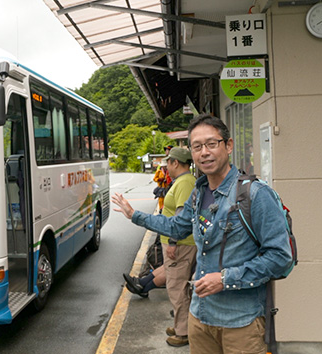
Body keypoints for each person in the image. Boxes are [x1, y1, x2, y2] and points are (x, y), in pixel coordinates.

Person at [112, 114, 293, 354]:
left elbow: (281, 258)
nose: (204, 152)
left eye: (211, 144)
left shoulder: (256, 195)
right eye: (197, 146)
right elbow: (178, 227)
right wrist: (135, 215)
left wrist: (225, 279)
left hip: (241, 322)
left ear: (228, 146)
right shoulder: (199, 193)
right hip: (199, 317)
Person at [124, 147, 197, 347]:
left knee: (176, 288)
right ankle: (182, 324)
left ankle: (183, 333)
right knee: (179, 286)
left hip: (180, 244)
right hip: (180, 243)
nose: (165, 167)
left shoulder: (185, 183)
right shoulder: (184, 182)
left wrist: (172, 241)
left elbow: (181, 219)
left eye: (168, 163)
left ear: (175, 162)